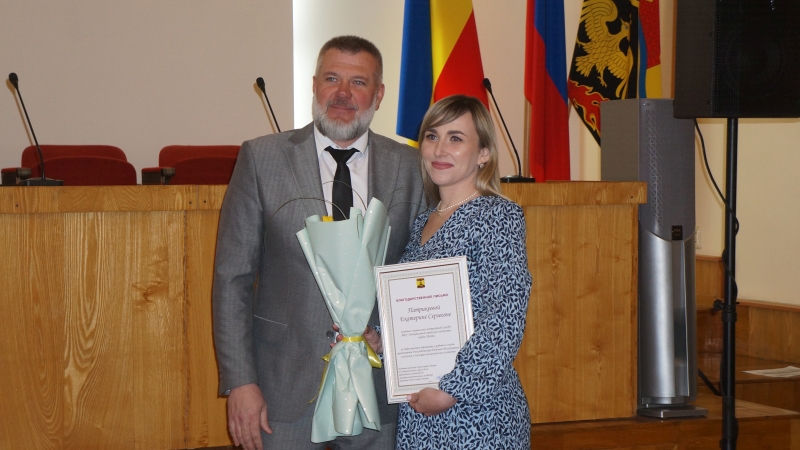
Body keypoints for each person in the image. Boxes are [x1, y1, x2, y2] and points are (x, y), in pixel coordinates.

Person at [212, 35, 426, 450]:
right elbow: (231, 279)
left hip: (378, 389)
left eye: (358, 82)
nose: (342, 93)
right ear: (314, 85)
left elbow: (417, 274)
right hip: (282, 388)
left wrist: (389, 339)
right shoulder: (262, 158)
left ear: (379, 94)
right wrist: (240, 381)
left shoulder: (409, 166)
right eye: (331, 78)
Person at [394, 95, 532, 449]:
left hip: (476, 414)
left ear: (483, 153)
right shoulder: (422, 222)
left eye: (455, 138)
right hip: (420, 410)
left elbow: (505, 316)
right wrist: (381, 337)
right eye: (432, 136)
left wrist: (453, 389)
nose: (439, 149)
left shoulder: (498, 216)